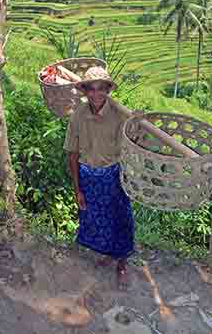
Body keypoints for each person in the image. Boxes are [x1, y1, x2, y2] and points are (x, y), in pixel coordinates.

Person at [64, 66, 135, 290]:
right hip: (88, 176)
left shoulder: (120, 116)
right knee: (95, 218)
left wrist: (138, 121)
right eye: (91, 89)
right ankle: (107, 254)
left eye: (101, 89)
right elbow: (72, 153)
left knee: (120, 218)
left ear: (107, 90)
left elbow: (135, 142)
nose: (97, 94)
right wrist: (77, 189)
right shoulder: (79, 114)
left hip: (113, 175)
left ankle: (121, 263)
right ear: (85, 91)